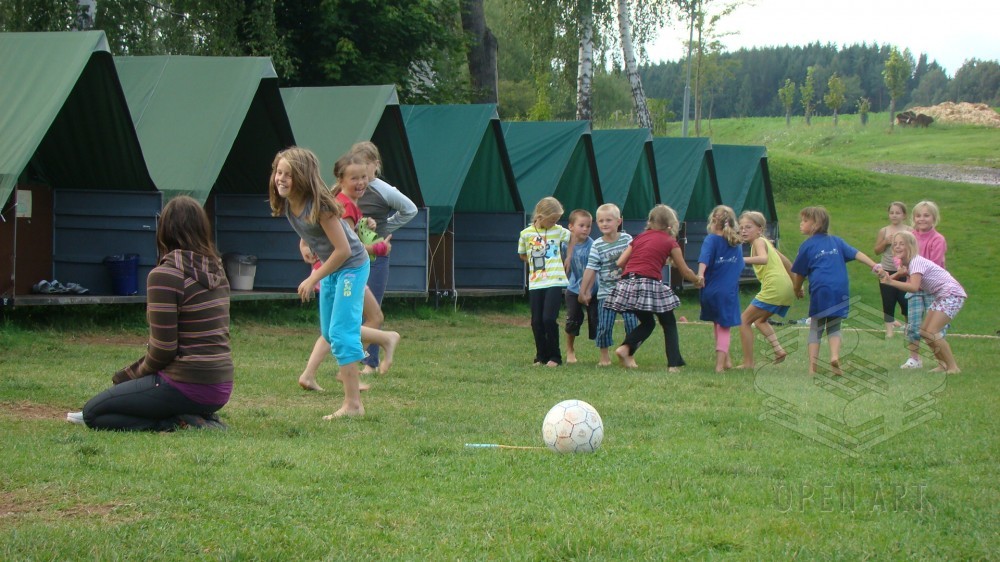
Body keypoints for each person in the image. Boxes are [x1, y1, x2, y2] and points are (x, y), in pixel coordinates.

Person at [70, 196, 234, 431]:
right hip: (220, 386)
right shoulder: (218, 271)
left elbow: (163, 350)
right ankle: (190, 415)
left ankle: (176, 423)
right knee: (116, 402)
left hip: (186, 382)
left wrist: (130, 375)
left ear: (164, 231)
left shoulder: (165, 275)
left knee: (93, 414)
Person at [270, 146, 370, 418]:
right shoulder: (289, 204)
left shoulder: (321, 207)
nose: (281, 178)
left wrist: (313, 276)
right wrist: (305, 245)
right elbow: (310, 232)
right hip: (333, 268)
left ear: (302, 177)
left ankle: (353, 405)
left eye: (288, 174)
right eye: (278, 172)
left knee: (340, 332)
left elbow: (344, 250)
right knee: (328, 332)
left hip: (351, 268)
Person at [296, 153, 401, 392]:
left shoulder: (346, 203)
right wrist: (379, 248)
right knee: (351, 324)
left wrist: (365, 223)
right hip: (342, 271)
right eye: (354, 178)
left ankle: (313, 374)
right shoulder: (343, 206)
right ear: (341, 179)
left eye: (364, 177)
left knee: (340, 327)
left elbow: (334, 235)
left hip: (339, 270)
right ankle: (368, 354)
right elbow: (347, 248)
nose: (361, 182)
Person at [604, 205, 703, 372]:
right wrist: (697, 280)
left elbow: (620, 262)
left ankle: (626, 348)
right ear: (670, 225)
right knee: (669, 322)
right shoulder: (670, 242)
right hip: (648, 283)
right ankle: (673, 364)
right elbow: (684, 270)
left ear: (650, 222)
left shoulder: (639, 238)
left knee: (648, 322)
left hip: (628, 283)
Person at [790, 206, 881, 376]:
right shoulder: (837, 241)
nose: (801, 224)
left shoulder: (806, 246)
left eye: (805, 221)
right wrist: (874, 265)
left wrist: (796, 289)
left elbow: (800, 273)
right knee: (834, 325)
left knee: (816, 327)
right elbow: (857, 254)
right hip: (840, 287)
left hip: (821, 288)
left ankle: (812, 368)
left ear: (816, 224)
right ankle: (834, 356)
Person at [353, 141, 418, 374]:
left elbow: (410, 209)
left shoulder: (383, 189)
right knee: (353, 308)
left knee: (373, 310)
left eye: (365, 165)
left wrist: (387, 227)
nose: (361, 172)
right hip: (352, 256)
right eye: (357, 165)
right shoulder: (349, 187)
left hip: (376, 258)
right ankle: (352, 359)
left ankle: (370, 362)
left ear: (376, 165)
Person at [879, 231, 965, 373]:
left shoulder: (916, 262)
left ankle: (953, 367)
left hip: (951, 294)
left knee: (932, 331)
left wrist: (891, 281)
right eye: (895, 244)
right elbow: (891, 279)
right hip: (941, 296)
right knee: (924, 332)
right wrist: (892, 277)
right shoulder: (908, 264)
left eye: (902, 244)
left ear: (911, 246)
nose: (897, 247)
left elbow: (913, 287)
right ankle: (942, 365)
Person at [579, 203, 638, 366]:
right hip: (606, 293)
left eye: (608, 220)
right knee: (604, 325)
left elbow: (636, 259)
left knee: (632, 324)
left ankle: (629, 353)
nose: (604, 224)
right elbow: (591, 268)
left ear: (619, 221)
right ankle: (604, 356)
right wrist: (583, 291)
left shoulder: (627, 240)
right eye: (601, 221)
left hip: (627, 291)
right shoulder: (597, 245)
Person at [737, 211, 794, 369]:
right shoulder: (767, 243)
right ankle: (778, 350)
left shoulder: (758, 242)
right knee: (759, 320)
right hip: (785, 287)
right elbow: (787, 262)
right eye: (741, 228)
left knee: (743, 321)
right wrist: (797, 285)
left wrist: (738, 259)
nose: (744, 231)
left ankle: (748, 363)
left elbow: (763, 259)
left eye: (748, 227)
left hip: (774, 287)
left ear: (760, 229)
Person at [517, 196, 571, 367]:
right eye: (552, 219)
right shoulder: (526, 234)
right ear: (540, 216)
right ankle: (541, 356)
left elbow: (574, 238)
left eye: (557, 219)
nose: (555, 222)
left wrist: (569, 256)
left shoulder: (558, 231)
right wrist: (534, 260)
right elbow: (522, 254)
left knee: (549, 318)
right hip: (536, 282)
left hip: (554, 280)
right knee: (536, 321)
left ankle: (555, 357)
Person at [697, 205, 745, 373]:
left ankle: (727, 361)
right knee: (724, 327)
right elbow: (740, 266)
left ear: (712, 221)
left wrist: (700, 275)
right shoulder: (736, 243)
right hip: (728, 292)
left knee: (717, 323)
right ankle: (719, 366)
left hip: (710, 290)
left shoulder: (710, 240)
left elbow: (704, 258)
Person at [900, 200, 947, 369]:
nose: (922, 219)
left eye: (926, 215)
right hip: (913, 288)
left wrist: (912, 271)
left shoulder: (938, 239)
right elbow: (900, 254)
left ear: (934, 218)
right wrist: (901, 266)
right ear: (913, 218)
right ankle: (914, 359)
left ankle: (942, 361)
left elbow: (934, 264)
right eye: (918, 215)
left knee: (934, 327)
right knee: (913, 325)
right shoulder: (909, 237)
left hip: (932, 289)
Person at [563, 209, 597, 364]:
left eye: (588, 226)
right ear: (571, 226)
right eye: (581, 225)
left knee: (596, 320)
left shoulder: (593, 246)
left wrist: (588, 290)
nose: (585, 229)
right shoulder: (565, 245)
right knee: (572, 320)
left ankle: (603, 353)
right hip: (573, 288)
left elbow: (594, 270)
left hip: (592, 289)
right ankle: (570, 350)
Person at [874, 201, 912, 338]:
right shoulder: (884, 231)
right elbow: (876, 251)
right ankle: (889, 331)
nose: (894, 215)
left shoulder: (909, 231)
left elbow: (914, 249)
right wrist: (885, 242)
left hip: (904, 271)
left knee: (905, 300)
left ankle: (909, 328)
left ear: (904, 215)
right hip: (886, 271)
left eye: (898, 213)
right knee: (888, 301)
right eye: (892, 213)